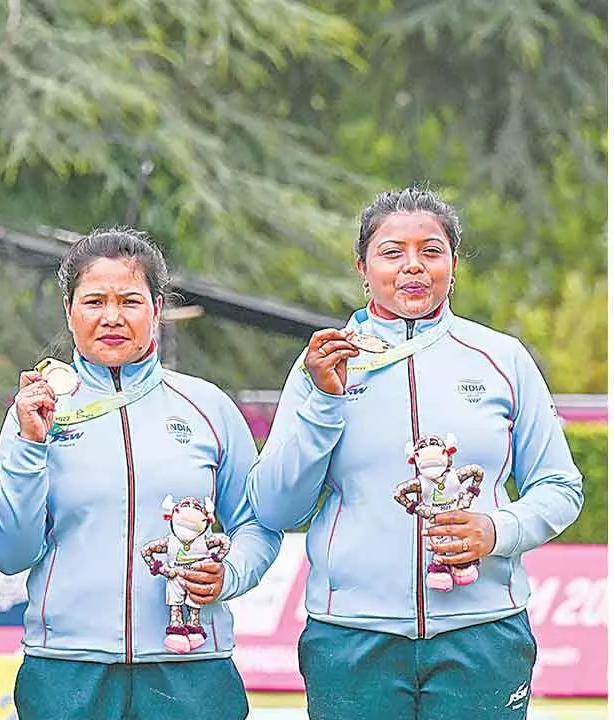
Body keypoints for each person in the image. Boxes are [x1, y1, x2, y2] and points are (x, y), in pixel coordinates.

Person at [246, 187, 583, 720]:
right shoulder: (323, 365)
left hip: (483, 635)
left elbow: (560, 488)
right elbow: (275, 509)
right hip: (351, 639)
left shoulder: (501, 358)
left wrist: (497, 530)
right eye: (391, 252)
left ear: (453, 264)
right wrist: (323, 402)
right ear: (362, 267)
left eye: (431, 251)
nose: (412, 267)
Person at [0, 228, 281, 720]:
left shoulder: (208, 408)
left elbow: (258, 524)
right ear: (69, 310)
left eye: (130, 300)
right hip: (66, 673)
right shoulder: (35, 411)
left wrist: (226, 574)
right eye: (94, 300)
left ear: (157, 309)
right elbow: (10, 552)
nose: (112, 317)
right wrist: (31, 445)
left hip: (190, 671)